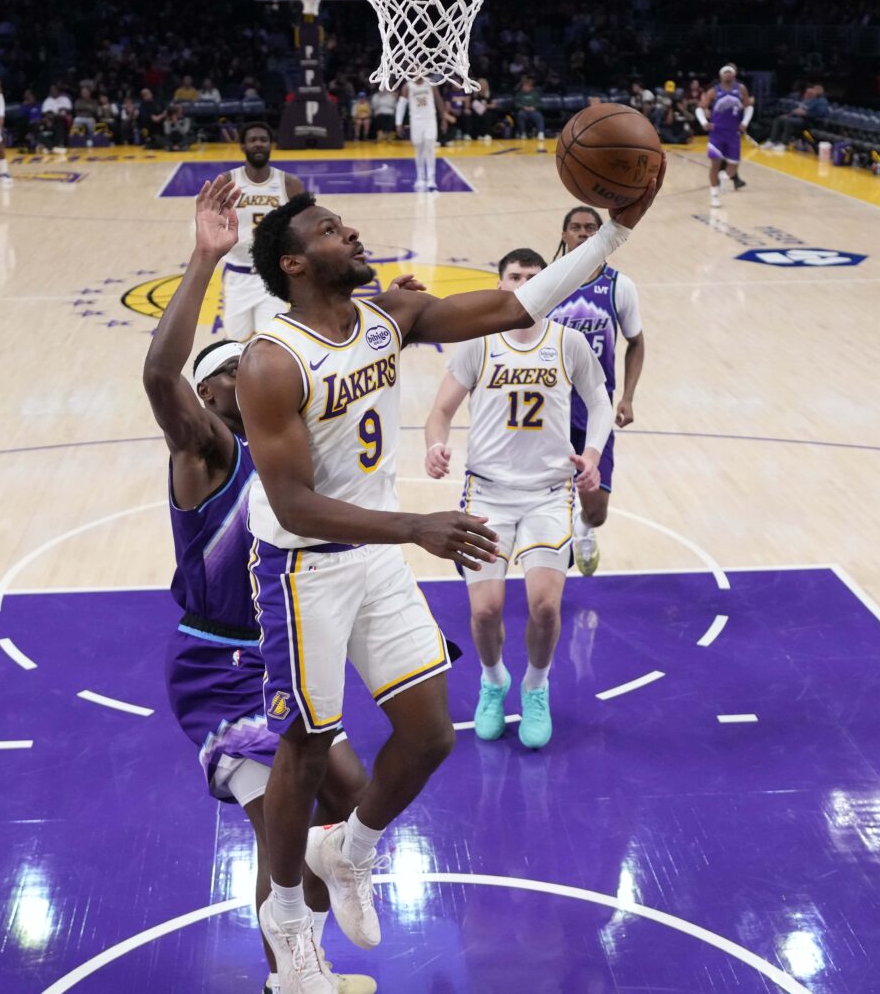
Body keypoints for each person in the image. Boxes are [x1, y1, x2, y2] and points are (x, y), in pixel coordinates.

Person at [237, 165, 661, 994]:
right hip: (300, 570)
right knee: (308, 746)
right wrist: (416, 525)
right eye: (329, 231)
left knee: (431, 733)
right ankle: (286, 915)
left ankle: (349, 849)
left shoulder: (386, 317)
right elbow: (291, 499)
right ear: (293, 264)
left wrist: (614, 233)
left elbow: (516, 305)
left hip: (374, 557)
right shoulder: (270, 361)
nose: (350, 235)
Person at [143, 176, 377, 994]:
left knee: (353, 805)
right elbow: (160, 378)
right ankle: (291, 974)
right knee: (278, 829)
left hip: (282, 655)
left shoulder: (285, 452)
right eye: (214, 381)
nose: (223, 389)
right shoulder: (204, 456)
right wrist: (206, 259)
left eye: (234, 376)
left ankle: (303, 950)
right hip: (218, 669)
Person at [422, 247, 614, 749]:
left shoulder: (568, 343)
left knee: (545, 607)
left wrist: (592, 453)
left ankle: (535, 685)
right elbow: (439, 410)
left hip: (549, 494)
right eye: (515, 276)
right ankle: (493, 681)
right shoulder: (477, 344)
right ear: (499, 284)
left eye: (535, 276)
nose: (526, 283)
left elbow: (599, 400)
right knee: (485, 611)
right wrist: (434, 445)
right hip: (486, 492)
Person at [545, 207, 645, 574]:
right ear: (564, 235)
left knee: (596, 511)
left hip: (594, 414)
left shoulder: (620, 286)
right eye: (576, 227)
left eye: (591, 228)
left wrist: (628, 396)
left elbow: (637, 343)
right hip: (548, 414)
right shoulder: (546, 284)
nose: (584, 233)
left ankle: (584, 529)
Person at [222, 123, 305, 339]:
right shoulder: (227, 181)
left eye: (263, 139)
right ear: (242, 146)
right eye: (252, 140)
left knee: (271, 342)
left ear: (270, 145)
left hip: (272, 276)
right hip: (237, 275)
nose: (258, 144)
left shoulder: (289, 183)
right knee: (235, 343)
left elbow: (304, 227)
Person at [698, 63, 753, 206]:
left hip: (733, 133)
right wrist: (704, 122)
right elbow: (700, 108)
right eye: (725, 72)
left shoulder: (741, 89)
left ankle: (724, 178)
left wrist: (745, 122)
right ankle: (714, 195)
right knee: (715, 163)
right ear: (721, 75)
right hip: (717, 133)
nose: (727, 74)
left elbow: (748, 107)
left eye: (730, 72)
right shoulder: (713, 91)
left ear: (734, 75)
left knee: (733, 165)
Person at [396, 80, 441, 193]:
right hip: (416, 121)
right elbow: (401, 105)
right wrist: (398, 123)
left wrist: (444, 117)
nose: (416, 71)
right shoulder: (407, 86)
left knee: (430, 148)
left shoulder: (431, 83)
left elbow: (438, 100)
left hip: (430, 120)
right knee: (419, 150)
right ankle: (420, 178)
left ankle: (431, 179)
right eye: (413, 69)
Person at [768, 83, 830, 150]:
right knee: (779, 119)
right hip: (799, 119)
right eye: (813, 89)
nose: (813, 90)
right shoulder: (809, 99)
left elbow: (820, 114)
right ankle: (772, 141)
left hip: (809, 122)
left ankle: (784, 144)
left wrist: (806, 114)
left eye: (816, 89)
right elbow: (799, 110)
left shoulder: (822, 101)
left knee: (789, 121)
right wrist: (789, 115)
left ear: (820, 91)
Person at [514, 76, 546, 140]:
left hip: (533, 111)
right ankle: (523, 133)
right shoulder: (519, 94)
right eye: (524, 86)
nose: (525, 87)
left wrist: (534, 107)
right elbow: (516, 104)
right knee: (520, 114)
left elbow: (540, 104)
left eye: (527, 86)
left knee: (539, 115)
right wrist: (523, 107)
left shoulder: (535, 94)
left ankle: (541, 133)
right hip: (523, 111)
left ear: (531, 87)